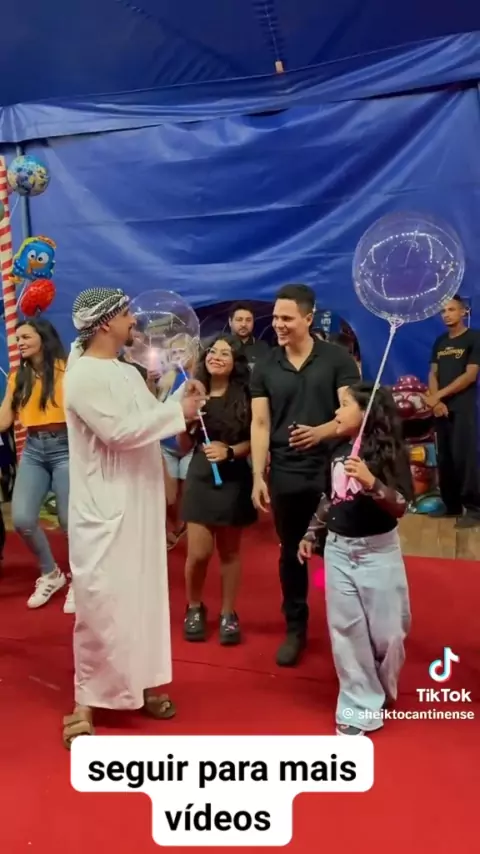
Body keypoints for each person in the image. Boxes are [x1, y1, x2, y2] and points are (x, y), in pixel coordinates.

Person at [61, 287, 205, 749]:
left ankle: (141, 684)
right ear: (105, 323)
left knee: (143, 600)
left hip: (139, 505)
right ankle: (86, 701)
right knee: (101, 606)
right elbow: (119, 432)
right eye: (126, 314)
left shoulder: (126, 370)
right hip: (104, 509)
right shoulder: (82, 375)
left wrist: (182, 400)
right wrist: (176, 412)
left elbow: (150, 421)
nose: (133, 321)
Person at [250, 284, 359, 666]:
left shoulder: (337, 360)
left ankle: (350, 629)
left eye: (287, 318)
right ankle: (296, 627)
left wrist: (321, 432)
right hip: (285, 473)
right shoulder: (266, 366)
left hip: (334, 474)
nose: (279, 325)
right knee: (291, 553)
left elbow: (353, 414)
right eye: (275, 318)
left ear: (309, 318)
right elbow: (260, 423)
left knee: (339, 552)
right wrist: (257, 475)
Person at [298, 382, 412, 736]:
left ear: (366, 412)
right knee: (347, 630)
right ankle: (358, 703)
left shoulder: (391, 452)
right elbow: (330, 497)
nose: (336, 412)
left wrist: (371, 482)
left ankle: (379, 686)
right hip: (338, 550)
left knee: (390, 634)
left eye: (344, 404)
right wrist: (311, 533)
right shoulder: (338, 451)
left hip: (379, 552)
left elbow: (401, 506)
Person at [181, 335, 256, 645]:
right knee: (198, 553)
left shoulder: (247, 396)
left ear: (236, 362)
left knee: (230, 552)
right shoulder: (194, 393)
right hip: (200, 476)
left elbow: (255, 440)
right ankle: (194, 607)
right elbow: (183, 445)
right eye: (212, 351)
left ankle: (228, 613)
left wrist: (230, 452)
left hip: (234, 477)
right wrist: (187, 419)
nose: (216, 356)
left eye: (225, 353)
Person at [0, 318, 72, 611]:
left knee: (69, 522)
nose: (20, 343)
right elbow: (4, 421)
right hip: (33, 450)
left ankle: (81, 579)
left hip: (67, 448)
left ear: (43, 337)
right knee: (22, 519)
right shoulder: (18, 376)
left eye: (26, 337)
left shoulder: (68, 370)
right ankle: (51, 573)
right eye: (18, 339)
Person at [425, 295, 480, 528]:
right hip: (440, 409)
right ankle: (452, 505)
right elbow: (433, 373)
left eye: (451, 309)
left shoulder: (474, 338)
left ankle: (474, 509)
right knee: (444, 457)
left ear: (463, 312)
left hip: (462, 407)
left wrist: (438, 396)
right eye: (443, 311)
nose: (446, 314)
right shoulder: (440, 342)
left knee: (463, 458)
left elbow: (470, 375)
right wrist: (436, 402)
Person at [228, 301, 269, 370]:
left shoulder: (263, 348)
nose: (244, 324)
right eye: (239, 320)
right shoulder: (221, 346)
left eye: (248, 320)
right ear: (230, 321)